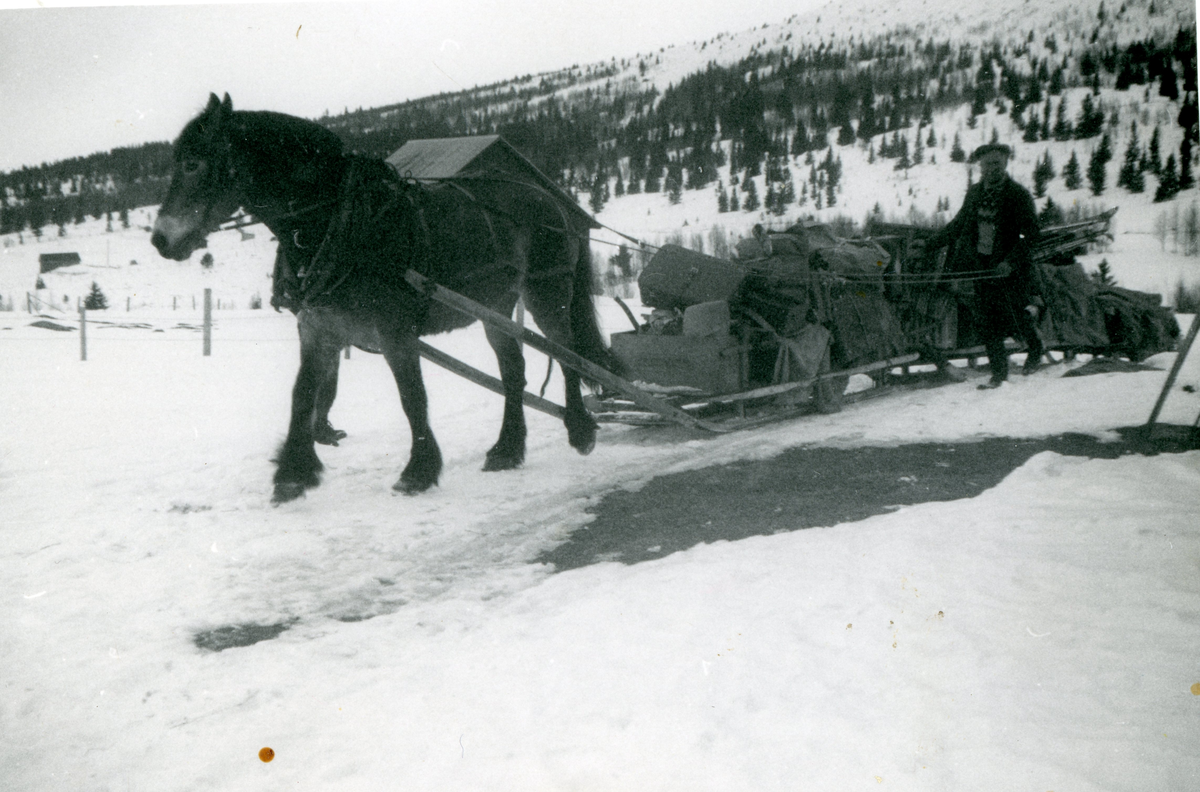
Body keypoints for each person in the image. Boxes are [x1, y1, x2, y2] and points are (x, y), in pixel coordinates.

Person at [919, 143, 1044, 389]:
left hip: (1011, 270)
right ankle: (999, 375)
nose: (992, 168)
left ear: (1006, 163)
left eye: (997, 163)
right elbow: (957, 225)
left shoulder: (1018, 195)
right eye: (987, 164)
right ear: (981, 166)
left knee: (1014, 316)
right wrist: (928, 245)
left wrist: (1010, 262)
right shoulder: (975, 193)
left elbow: (1032, 236)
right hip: (982, 267)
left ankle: (1036, 347)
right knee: (987, 322)